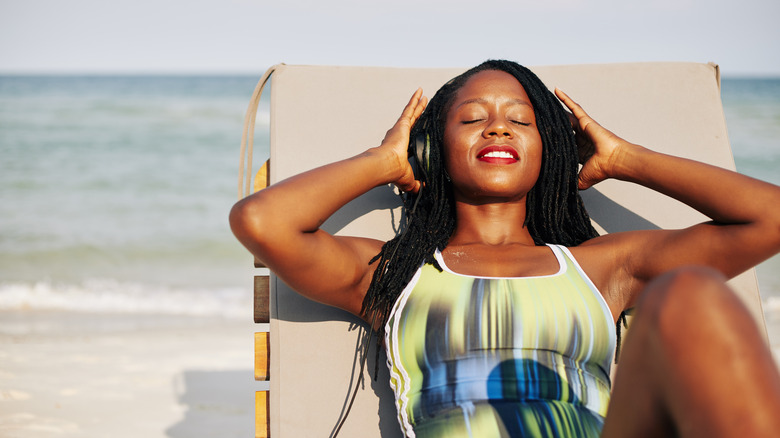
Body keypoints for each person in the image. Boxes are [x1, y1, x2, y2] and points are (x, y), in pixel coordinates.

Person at [230, 60, 780, 437]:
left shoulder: (602, 268)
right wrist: (386, 160)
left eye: (521, 121)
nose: (497, 129)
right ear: (432, 150)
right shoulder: (393, 274)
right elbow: (262, 221)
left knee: (696, 300)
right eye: (471, 120)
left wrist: (624, 158)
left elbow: (770, 218)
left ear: (552, 151)